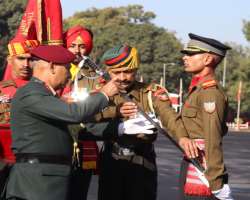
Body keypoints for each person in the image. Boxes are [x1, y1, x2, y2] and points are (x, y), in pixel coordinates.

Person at [5, 45, 119, 200]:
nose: (69, 76)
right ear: (52, 67)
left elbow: (79, 130)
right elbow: (74, 114)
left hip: (46, 180)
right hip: (37, 184)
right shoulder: (31, 93)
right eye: (66, 68)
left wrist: (121, 128)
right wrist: (104, 94)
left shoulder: (45, 96)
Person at [96, 44, 198, 200]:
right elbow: (88, 118)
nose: (123, 77)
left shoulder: (151, 92)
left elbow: (170, 117)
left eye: (128, 72)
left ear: (136, 70)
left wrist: (182, 137)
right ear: (109, 71)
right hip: (111, 161)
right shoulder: (100, 93)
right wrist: (115, 112)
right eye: (117, 72)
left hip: (143, 161)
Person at [179, 33, 233, 200]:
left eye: (191, 53)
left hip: (203, 167)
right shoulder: (197, 89)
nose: (185, 57)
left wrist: (216, 180)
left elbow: (212, 138)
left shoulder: (210, 93)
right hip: (191, 161)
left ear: (208, 59)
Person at [63, 25, 101, 200]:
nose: (76, 51)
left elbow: (101, 107)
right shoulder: (52, 69)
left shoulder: (95, 76)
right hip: (57, 142)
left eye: (82, 46)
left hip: (83, 141)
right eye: (72, 45)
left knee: (78, 193)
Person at [0, 37, 39, 192]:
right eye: (21, 58)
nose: (26, 64)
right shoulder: (1, 90)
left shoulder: (46, 90)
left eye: (31, 59)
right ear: (10, 60)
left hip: (32, 162)